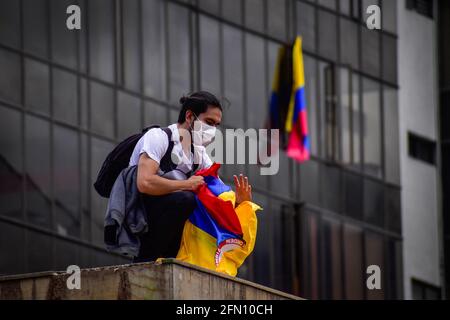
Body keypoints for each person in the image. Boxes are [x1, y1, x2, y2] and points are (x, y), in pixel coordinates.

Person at [129, 91, 253, 263]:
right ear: (189, 116)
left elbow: (218, 197)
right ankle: (147, 258)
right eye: (209, 122)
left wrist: (239, 203)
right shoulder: (158, 137)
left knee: (201, 202)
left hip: (167, 215)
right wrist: (186, 184)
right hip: (141, 215)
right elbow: (145, 183)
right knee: (187, 198)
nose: (213, 130)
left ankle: (176, 259)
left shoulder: (199, 154)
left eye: (216, 125)